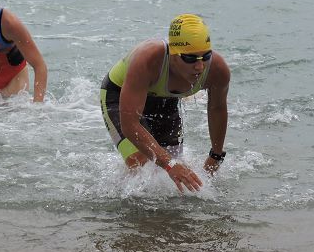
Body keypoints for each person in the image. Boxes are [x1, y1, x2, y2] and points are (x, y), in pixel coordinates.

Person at [99, 14, 230, 194]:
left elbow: (217, 109)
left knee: (174, 178)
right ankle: (118, 199)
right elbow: (130, 125)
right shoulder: (147, 60)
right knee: (142, 166)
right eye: (190, 59)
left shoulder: (217, 70)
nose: (200, 67)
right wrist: (169, 164)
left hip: (166, 99)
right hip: (119, 94)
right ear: (173, 54)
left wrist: (216, 155)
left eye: (205, 56)